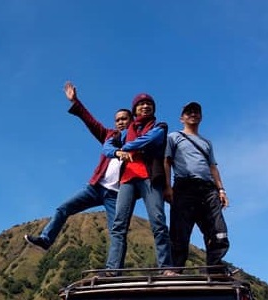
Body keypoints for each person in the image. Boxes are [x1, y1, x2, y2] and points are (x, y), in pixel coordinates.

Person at [24, 82, 132, 251]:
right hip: (95, 187)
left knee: (117, 232)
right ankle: (46, 239)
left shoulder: (137, 140)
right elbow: (91, 121)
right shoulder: (109, 136)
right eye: (117, 120)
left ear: (131, 120)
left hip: (116, 195)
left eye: (124, 119)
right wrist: (76, 101)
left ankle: (114, 269)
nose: (120, 122)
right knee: (63, 208)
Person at [101, 93, 173, 274]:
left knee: (158, 221)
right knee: (119, 225)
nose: (145, 106)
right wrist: (117, 153)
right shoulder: (124, 133)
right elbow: (107, 148)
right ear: (135, 109)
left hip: (149, 177)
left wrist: (125, 148)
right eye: (141, 104)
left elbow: (151, 139)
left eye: (148, 103)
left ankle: (165, 267)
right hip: (127, 179)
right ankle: (112, 269)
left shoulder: (159, 126)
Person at [164, 101, 229, 271]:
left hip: (208, 189)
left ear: (201, 116)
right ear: (181, 118)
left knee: (218, 230)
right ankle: (175, 269)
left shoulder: (206, 143)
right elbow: (167, 162)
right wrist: (167, 187)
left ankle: (215, 268)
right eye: (188, 112)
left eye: (196, 112)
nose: (193, 114)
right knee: (180, 231)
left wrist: (221, 189)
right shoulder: (174, 137)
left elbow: (213, 167)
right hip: (184, 186)